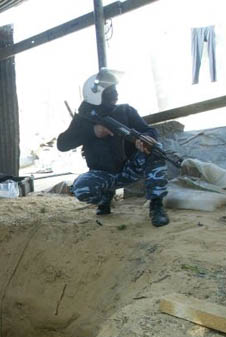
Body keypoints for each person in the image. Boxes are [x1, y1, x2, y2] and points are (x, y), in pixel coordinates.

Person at [57, 69, 170, 227]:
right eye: (111, 91)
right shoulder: (83, 119)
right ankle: (105, 197)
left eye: (115, 89)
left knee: (156, 149)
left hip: (129, 169)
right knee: (81, 188)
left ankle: (156, 205)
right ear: (96, 94)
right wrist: (92, 132)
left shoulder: (125, 110)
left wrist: (146, 140)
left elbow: (149, 131)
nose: (116, 94)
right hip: (102, 174)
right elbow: (62, 144)